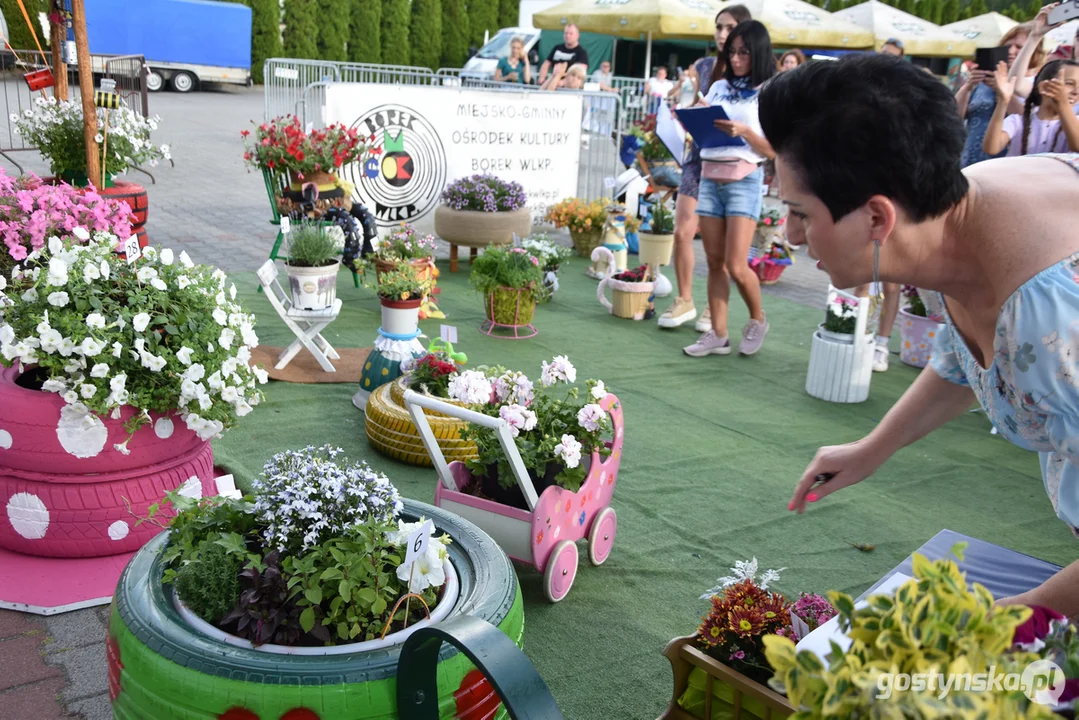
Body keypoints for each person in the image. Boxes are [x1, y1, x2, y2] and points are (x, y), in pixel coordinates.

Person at [762, 54, 1079, 618]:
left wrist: (1013, 618)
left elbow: (1022, 344)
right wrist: (872, 448)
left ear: (878, 219)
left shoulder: (1052, 322)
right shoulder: (949, 211)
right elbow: (972, 355)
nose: (789, 235)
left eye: (799, 213)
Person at [684, 20, 776, 358]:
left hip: (744, 179)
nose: (736, 58)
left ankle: (757, 319)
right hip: (710, 176)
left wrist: (744, 132)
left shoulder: (769, 91)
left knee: (738, 265)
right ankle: (718, 334)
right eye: (732, 52)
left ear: (759, 53)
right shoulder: (719, 86)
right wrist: (692, 116)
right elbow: (703, 122)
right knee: (714, 262)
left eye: (744, 53)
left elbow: (773, 150)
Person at [658, 4, 753, 331]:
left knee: (721, 247)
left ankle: (715, 310)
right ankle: (685, 299)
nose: (722, 34)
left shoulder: (751, 70)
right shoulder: (705, 64)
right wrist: (686, 104)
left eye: (728, 28)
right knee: (682, 231)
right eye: (718, 27)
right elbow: (683, 97)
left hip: (732, 163)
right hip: (698, 156)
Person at [956, 23, 1039, 168]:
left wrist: (1003, 92)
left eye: (1019, 47)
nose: (1011, 51)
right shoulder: (982, 81)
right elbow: (955, 117)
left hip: (1005, 163)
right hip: (969, 160)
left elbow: (1030, 121)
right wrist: (968, 87)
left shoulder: (1032, 84)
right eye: (1008, 46)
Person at [982, 59, 1079, 157]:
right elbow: (991, 148)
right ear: (1044, 87)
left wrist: (1062, 104)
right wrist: (1003, 102)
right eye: (1070, 83)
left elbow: (1077, 147)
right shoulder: (1017, 122)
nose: (1076, 92)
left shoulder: (1076, 123)